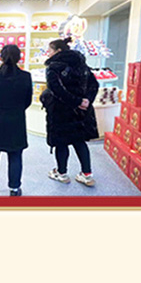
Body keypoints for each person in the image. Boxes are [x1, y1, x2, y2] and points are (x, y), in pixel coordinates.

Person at [40, 37, 99, 187]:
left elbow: (56, 90)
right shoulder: (81, 64)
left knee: (61, 142)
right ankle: (87, 175)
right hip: (81, 112)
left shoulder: (54, 67)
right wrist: (86, 101)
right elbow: (94, 84)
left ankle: (62, 173)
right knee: (79, 141)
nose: (48, 53)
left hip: (61, 110)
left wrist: (76, 101)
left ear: (58, 51)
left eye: (50, 50)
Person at [0, 45, 32, 196]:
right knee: (15, 153)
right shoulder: (26, 77)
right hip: (16, 119)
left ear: (1, 57)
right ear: (19, 58)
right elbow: (27, 101)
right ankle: (14, 188)